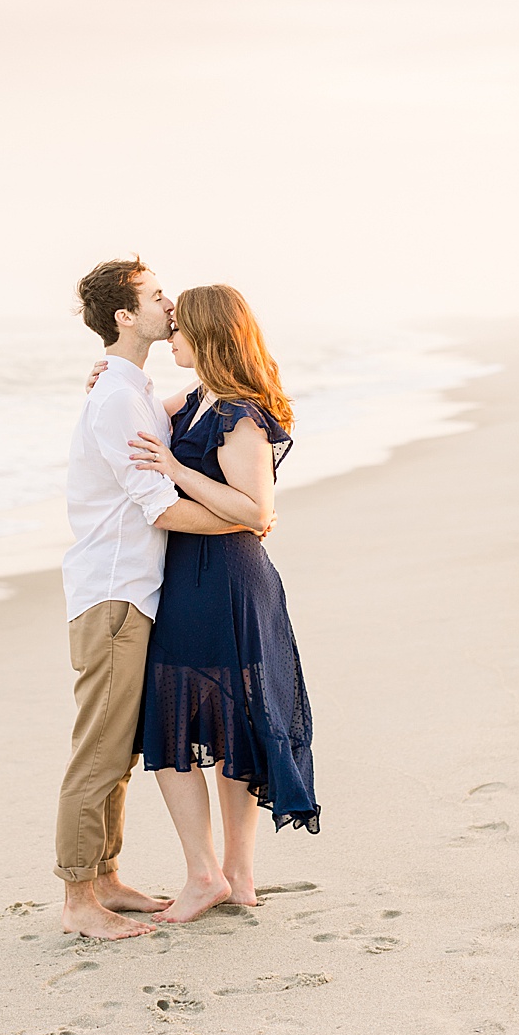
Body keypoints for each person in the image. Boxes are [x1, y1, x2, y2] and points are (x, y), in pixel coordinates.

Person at [57, 259, 262, 940]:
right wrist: (245, 520)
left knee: (118, 747)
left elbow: (209, 395)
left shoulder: (135, 389)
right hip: (114, 592)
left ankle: (106, 878)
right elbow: (161, 508)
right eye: (155, 296)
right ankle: (79, 899)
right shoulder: (120, 398)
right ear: (125, 316)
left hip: (134, 592)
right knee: (100, 751)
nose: (169, 304)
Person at [125, 283, 320, 924]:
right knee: (214, 722)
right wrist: (110, 376)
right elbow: (137, 407)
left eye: (179, 328)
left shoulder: (239, 414)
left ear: (207, 335)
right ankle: (228, 877)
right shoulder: (195, 399)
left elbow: (256, 511)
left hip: (225, 582)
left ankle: (217, 875)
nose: (170, 337)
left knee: (187, 719)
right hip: (195, 576)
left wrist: (176, 471)